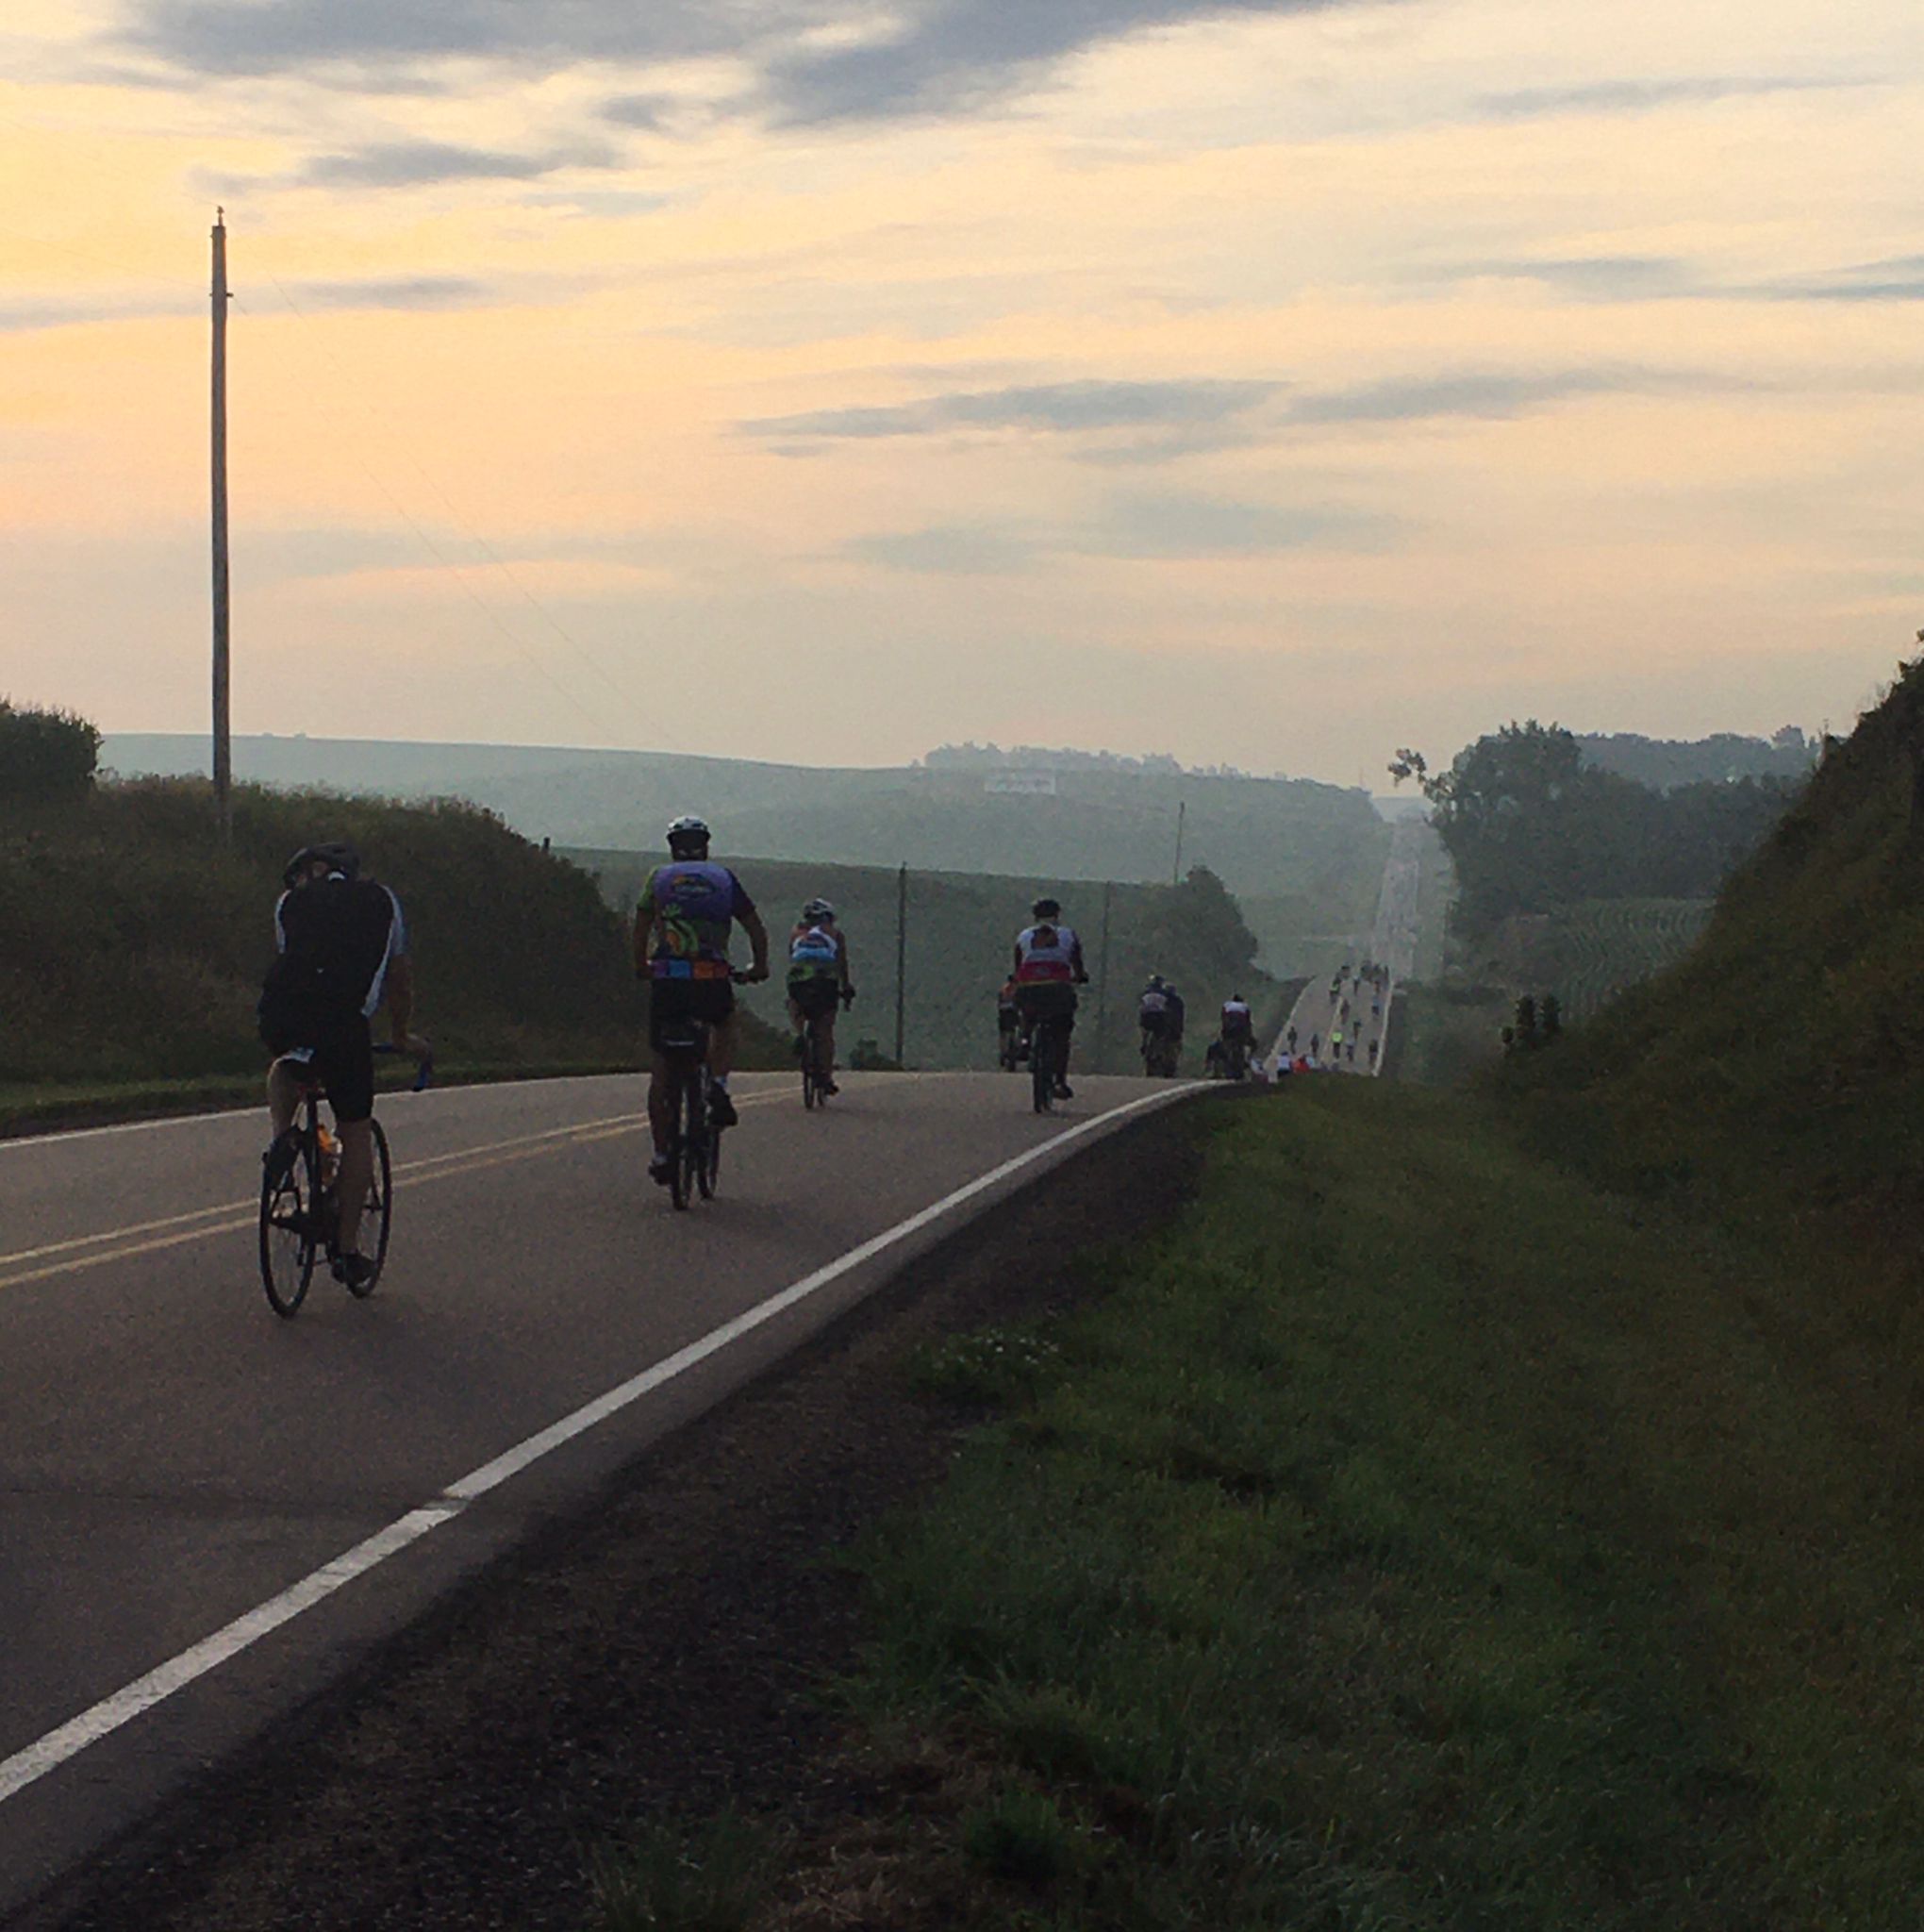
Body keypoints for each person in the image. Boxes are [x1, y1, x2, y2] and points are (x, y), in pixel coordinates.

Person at [259, 841, 422, 1290]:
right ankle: (347, 1251)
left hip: (281, 1016)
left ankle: (282, 1140)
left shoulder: (288, 904)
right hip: (344, 1025)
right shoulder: (382, 902)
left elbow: (294, 962)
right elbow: (398, 976)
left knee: (288, 1065)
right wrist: (401, 1034)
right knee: (355, 1131)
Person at [635, 816, 770, 1185]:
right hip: (711, 978)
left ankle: (663, 1155)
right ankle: (719, 1087)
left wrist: (641, 966)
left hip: (669, 983)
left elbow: (642, 924)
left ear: (672, 847)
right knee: (724, 1024)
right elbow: (754, 927)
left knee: (662, 1069)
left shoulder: (658, 879)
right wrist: (760, 965)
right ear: (705, 846)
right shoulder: (723, 879)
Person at [1010, 897, 1086, 1100]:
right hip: (1058, 988)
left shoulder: (1024, 935)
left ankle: (1025, 1039)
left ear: (1035, 916)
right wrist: (1079, 977)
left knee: (1027, 1010)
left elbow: (1017, 969)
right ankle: (1060, 1081)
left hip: (1029, 987)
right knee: (1062, 1034)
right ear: (1057, 915)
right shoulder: (1068, 934)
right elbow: (1077, 964)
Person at [786, 897, 853, 1092]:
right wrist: (846, 988)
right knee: (825, 1028)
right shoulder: (835, 934)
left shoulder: (795, 932)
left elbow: (793, 958)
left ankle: (798, 1032)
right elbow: (842, 964)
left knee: (794, 1000)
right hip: (825, 980)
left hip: (799, 978)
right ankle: (825, 1076)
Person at [1219, 992, 1254, 1078]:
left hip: (1228, 1030)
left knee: (1227, 1047)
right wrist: (1249, 1035)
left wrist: (1223, 1030)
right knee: (1243, 1046)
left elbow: (1223, 1018)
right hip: (1240, 1031)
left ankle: (1226, 1063)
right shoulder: (1245, 1006)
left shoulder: (1227, 1005)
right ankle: (1245, 1061)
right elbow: (1248, 1022)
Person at [997, 975, 1024, 1068]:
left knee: (1005, 1034)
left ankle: (1004, 1053)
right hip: (1010, 1013)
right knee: (1008, 1033)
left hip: (1005, 1013)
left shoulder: (1004, 990)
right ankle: (1006, 1051)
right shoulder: (1013, 990)